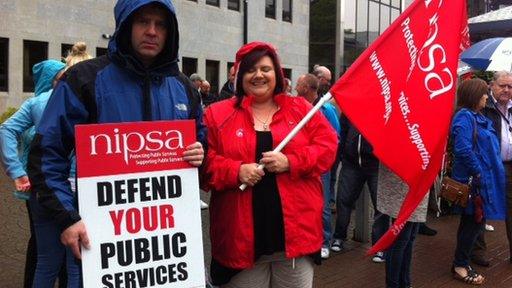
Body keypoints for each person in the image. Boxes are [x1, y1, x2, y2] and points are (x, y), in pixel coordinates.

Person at [28, 0, 205, 267]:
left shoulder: (183, 87)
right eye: (143, 21)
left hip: (166, 244)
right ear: (125, 24)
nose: (152, 31)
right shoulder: (85, 78)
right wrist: (68, 218)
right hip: (103, 237)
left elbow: (201, 145)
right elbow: (46, 155)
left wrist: (200, 152)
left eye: (160, 24)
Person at [204, 41, 338, 287]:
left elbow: (328, 148)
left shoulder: (301, 110)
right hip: (240, 245)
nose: (258, 75)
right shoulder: (216, 114)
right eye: (250, 69)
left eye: (265, 69)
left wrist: (291, 161)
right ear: (239, 75)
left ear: (277, 73)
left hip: (295, 244)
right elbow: (205, 164)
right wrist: (236, 171)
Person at [0, 59, 66, 288]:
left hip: (35, 185)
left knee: (42, 246)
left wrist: (16, 170)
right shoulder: (52, 103)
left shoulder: (34, 103)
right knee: (53, 249)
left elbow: (8, 129)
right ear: (51, 80)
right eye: (60, 77)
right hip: (55, 184)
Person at [450, 78, 506, 285]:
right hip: (475, 183)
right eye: (483, 93)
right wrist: (479, 172)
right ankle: (460, 265)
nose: (486, 97)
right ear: (474, 95)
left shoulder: (476, 116)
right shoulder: (464, 118)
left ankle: (462, 262)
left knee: (474, 224)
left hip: (482, 181)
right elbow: (462, 149)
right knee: (472, 225)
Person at [331, 113, 389, 263]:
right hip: (352, 163)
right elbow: (342, 131)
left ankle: (379, 246)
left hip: (376, 165)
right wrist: (342, 155)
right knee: (344, 200)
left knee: (381, 206)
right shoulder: (353, 104)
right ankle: (339, 236)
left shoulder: (386, 106)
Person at [295, 73, 340, 259]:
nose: (296, 86)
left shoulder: (325, 108)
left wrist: (321, 157)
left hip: (319, 165)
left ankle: (325, 242)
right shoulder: (297, 106)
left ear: (306, 87)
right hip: (301, 163)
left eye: (299, 83)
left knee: (323, 204)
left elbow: (335, 136)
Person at [479, 71, 512, 266]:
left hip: (510, 165)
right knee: (480, 209)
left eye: (510, 86)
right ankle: (476, 252)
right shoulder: (483, 106)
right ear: (492, 85)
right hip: (488, 167)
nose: (506, 90)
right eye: (502, 85)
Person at [377, 164, 428, 288]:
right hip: (401, 189)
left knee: (409, 238)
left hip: (419, 184)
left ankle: (404, 282)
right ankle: (394, 284)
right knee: (400, 241)